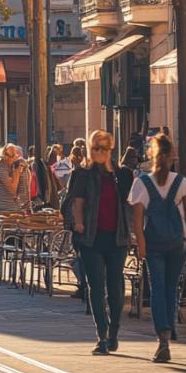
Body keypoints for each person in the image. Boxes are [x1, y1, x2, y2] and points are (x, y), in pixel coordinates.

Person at [128, 134, 186, 363]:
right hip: (178, 243)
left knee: (158, 289)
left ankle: (162, 337)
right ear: (173, 157)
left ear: (150, 155)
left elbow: (137, 219)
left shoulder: (142, 182)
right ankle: (169, 327)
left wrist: (141, 246)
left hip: (154, 244)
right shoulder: (181, 182)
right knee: (172, 288)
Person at [68, 130, 132, 356]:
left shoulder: (123, 175)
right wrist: (78, 223)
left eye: (103, 148)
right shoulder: (83, 174)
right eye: (95, 148)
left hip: (117, 238)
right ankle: (102, 336)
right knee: (96, 287)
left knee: (115, 287)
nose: (99, 152)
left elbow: (130, 203)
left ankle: (114, 330)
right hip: (91, 237)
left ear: (111, 149)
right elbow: (77, 201)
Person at [0, 143, 30, 214]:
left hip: (15, 207)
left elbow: (26, 186)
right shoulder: (0, 166)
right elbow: (13, 189)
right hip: (1, 207)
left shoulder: (16, 164)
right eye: (12, 156)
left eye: (15, 155)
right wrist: (17, 172)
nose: (14, 158)